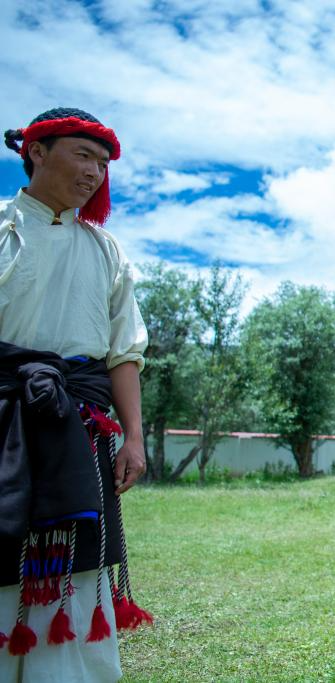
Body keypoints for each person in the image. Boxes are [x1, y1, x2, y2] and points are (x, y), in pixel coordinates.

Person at [1, 107, 149, 682]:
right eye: (83, 155)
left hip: (81, 428)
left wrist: (133, 437)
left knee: (76, 565)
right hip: (4, 422)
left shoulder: (106, 250)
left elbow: (124, 352)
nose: (94, 172)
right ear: (37, 152)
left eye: (103, 164)